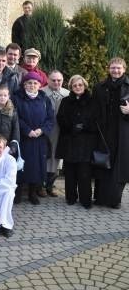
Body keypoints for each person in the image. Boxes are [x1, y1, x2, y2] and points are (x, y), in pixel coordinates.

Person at [12, 72, 55, 205]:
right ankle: (17, 193)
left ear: (40, 85)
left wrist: (41, 130)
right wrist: (27, 130)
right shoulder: (17, 98)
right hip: (24, 138)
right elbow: (16, 117)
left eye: (35, 83)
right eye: (29, 83)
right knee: (21, 167)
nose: (32, 85)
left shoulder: (44, 99)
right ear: (24, 84)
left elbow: (50, 118)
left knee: (36, 167)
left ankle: (32, 193)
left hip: (39, 138)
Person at [93, 57, 129, 208]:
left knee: (118, 167)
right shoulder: (99, 87)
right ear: (108, 69)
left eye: (118, 68)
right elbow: (93, 108)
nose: (115, 70)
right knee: (102, 162)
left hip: (123, 133)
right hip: (103, 132)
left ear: (124, 69)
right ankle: (100, 198)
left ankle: (115, 200)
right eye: (113, 68)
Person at [56, 75, 97, 209]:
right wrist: (72, 127)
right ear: (71, 88)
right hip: (69, 140)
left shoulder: (93, 101)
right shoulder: (66, 101)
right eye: (74, 86)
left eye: (80, 85)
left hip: (86, 142)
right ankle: (71, 197)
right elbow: (60, 118)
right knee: (70, 172)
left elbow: (97, 119)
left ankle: (86, 199)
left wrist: (84, 126)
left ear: (84, 86)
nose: (78, 87)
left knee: (84, 173)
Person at [41, 70, 69, 197]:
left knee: (57, 158)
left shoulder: (67, 94)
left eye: (59, 80)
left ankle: (50, 185)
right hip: (45, 130)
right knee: (44, 156)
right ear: (48, 80)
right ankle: (40, 185)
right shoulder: (41, 92)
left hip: (61, 131)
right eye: (53, 80)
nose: (56, 82)